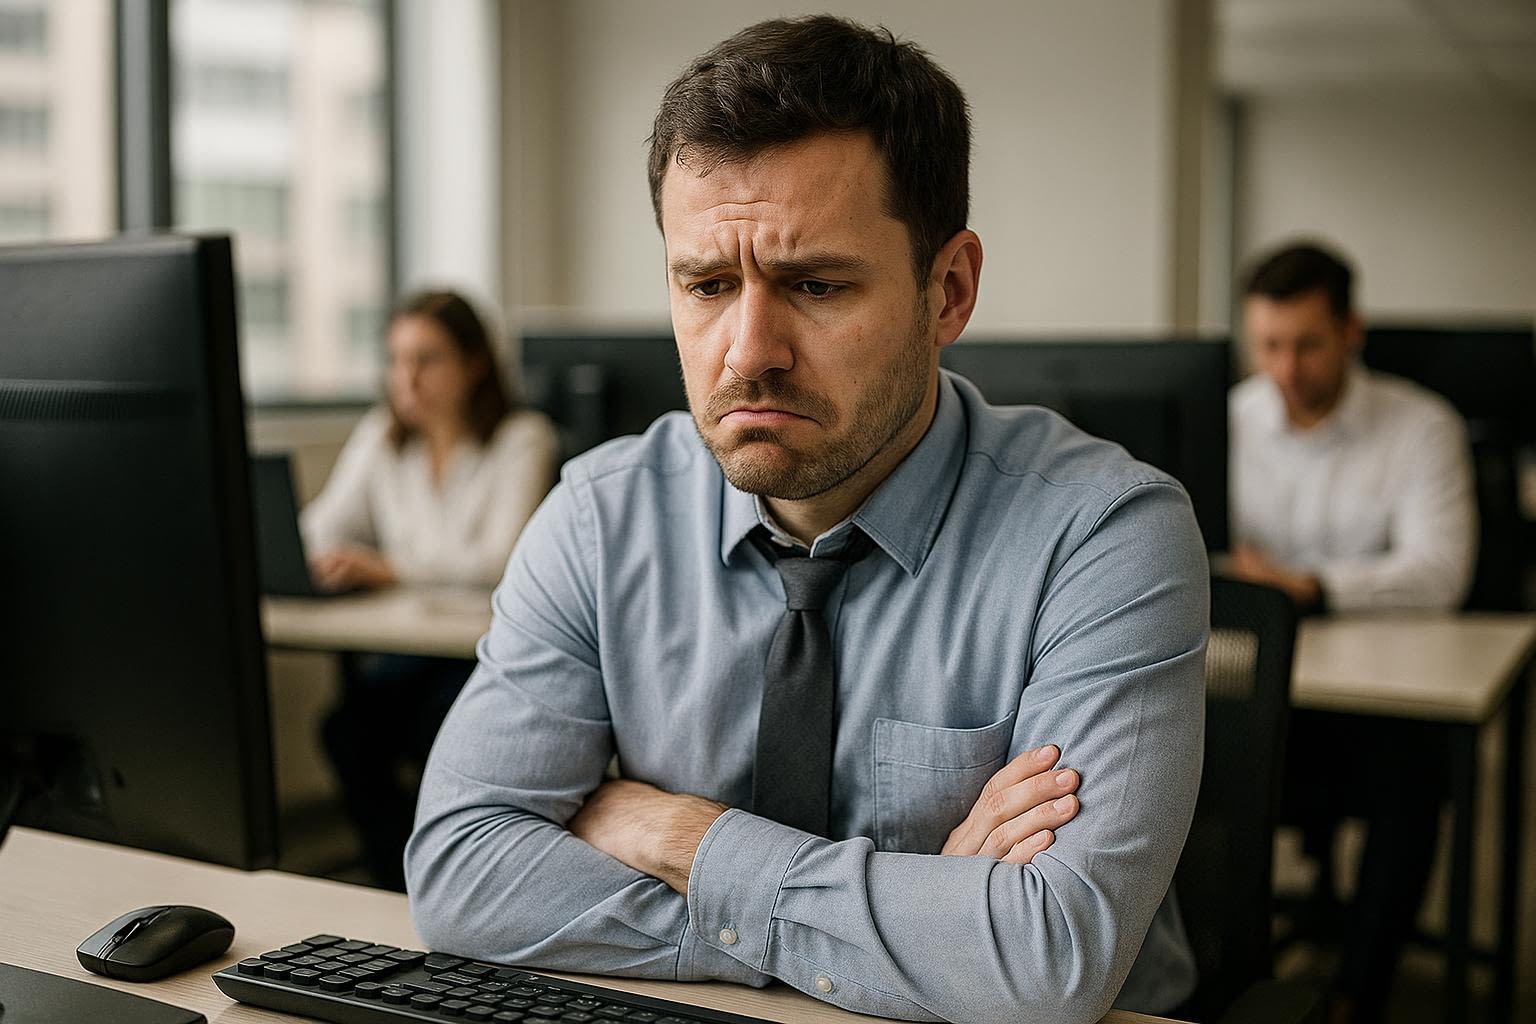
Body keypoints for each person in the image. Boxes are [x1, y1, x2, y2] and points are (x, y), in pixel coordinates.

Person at [408, 17, 1207, 1024]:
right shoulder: (598, 517)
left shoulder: (1107, 535)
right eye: (706, 285)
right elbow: (459, 871)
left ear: (948, 288)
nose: (749, 352)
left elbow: (1047, 956)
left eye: (816, 284)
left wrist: (686, 840)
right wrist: (920, 920)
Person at [1227, 241, 1476, 1024]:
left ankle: (1354, 998)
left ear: (1351, 332)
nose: (1287, 369)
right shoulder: (1229, 420)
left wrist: (1311, 587)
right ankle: (1222, 977)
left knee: (1412, 778)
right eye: (1269, 345)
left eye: (1308, 344)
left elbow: (1439, 571)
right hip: (1261, 683)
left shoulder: (1421, 426)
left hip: (1383, 699)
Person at [303, 288, 560, 890]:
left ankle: (453, 878)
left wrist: (389, 568)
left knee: (434, 728)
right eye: (396, 361)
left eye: (427, 359)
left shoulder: (523, 436)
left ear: (473, 364)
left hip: (482, 650)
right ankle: (392, 873)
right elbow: (322, 526)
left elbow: (501, 557)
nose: (406, 379)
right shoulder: (383, 438)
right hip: (411, 644)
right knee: (346, 731)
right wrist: (316, 557)